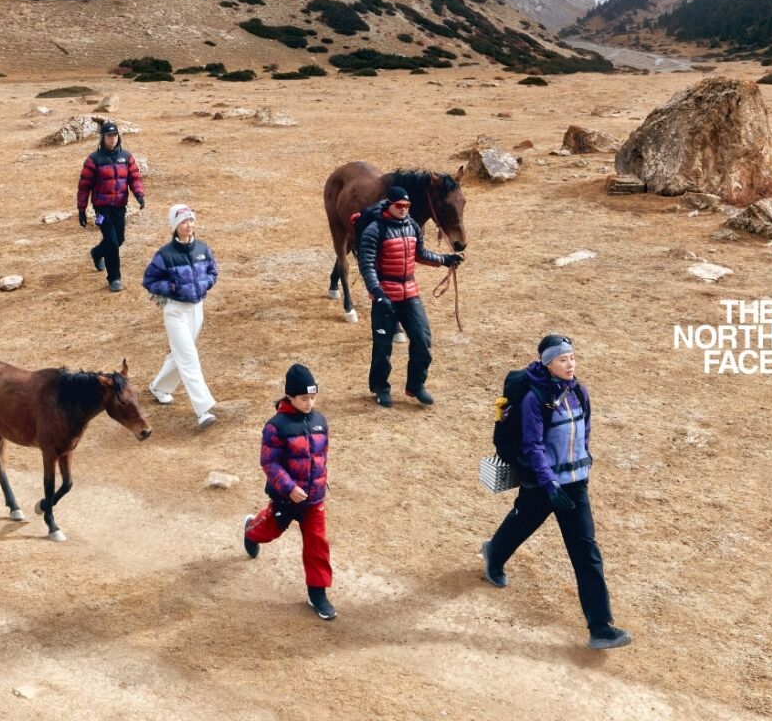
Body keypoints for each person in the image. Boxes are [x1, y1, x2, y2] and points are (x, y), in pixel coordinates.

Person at [481, 334, 632, 650]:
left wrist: (583, 463)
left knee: (586, 553)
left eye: (573, 358)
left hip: (575, 485)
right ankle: (493, 554)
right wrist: (549, 484)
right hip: (543, 484)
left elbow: (584, 429)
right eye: (563, 359)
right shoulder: (534, 398)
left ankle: (600, 628)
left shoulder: (579, 392)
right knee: (522, 524)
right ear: (548, 363)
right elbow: (532, 446)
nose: (570, 364)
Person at [241, 364, 335, 620]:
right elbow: (269, 462)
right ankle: (251, 530)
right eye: (304, 398)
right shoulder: (275, 426)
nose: (310, 403)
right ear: (290, 397)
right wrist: (289, 487)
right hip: (287, 498)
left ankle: (317, 593)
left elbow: (321, 456)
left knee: (317, 544)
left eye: (313, 398)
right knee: (268, 531)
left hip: (314, 499)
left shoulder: (320, 421)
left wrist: (317, 486)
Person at [357, 185, 464, 408]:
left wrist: (445, 259)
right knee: (383, 347)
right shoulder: (374, 230)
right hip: (385, 294)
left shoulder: (412, 226)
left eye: (407, 206)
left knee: (423, 339)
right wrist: (377, 293)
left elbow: (420, 254)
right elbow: (366, 265)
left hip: (410, 293)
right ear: (390, 205)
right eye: (400, 205)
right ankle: (380, 387)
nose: (404, 209)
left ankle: (416, 385)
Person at [141, 204, 218, 430]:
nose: (189, 225)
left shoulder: (202, 248)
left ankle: (159, 386)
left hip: (197, 308)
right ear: (175, 226)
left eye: (191, 220)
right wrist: (172, 287)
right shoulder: (165, 255)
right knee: (189, 357)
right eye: (184, 222)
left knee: (180, 354)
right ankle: (203, 409)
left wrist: (206, 284)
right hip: (175, 311)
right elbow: (149, 281)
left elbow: (213, 271)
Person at [76, 120, 145, 292]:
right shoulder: (93, 160)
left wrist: (139, 194)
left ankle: (97, 253)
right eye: (109, 135)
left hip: (120, 206)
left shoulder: (127, 157)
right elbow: (84, 186)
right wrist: (81, 209)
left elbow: (134, 178)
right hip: (101, 208)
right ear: (102, 137)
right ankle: (114, 278)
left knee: (119, 240)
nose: (112, 138)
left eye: (115, 135)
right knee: (112, 243)